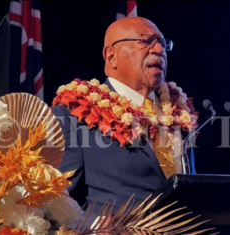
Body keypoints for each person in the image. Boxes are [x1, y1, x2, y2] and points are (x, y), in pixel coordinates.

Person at [52, 17, 189, 212]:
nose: (159, 51)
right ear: (111, 57)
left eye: (162, 44)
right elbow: (58, 206)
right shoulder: (74, 115)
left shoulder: (179, 113)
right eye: (145, 41)